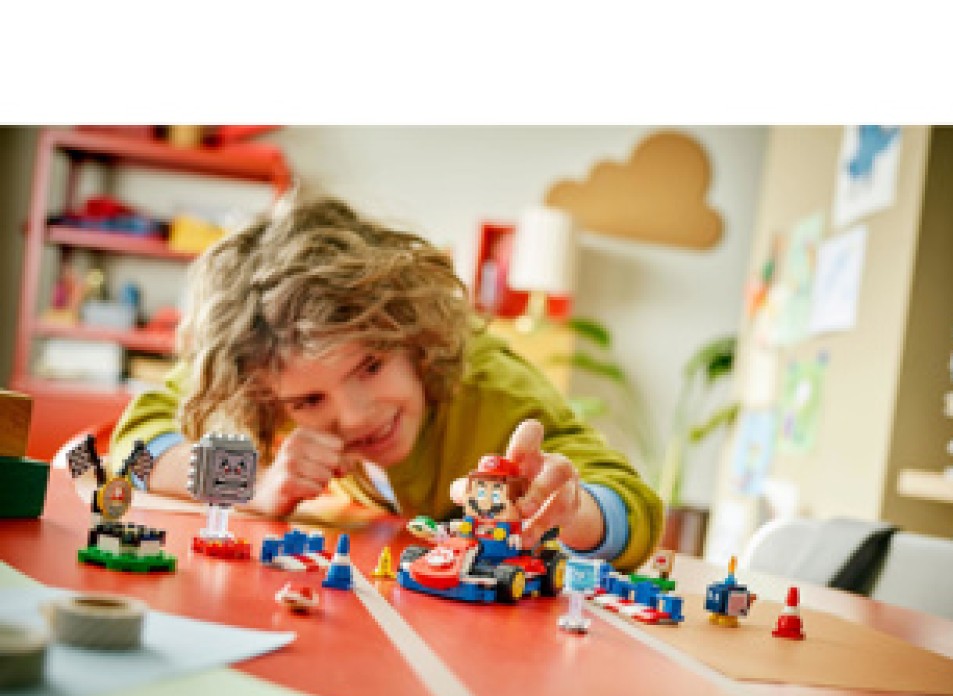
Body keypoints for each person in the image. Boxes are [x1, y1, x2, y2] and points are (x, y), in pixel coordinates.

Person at [110, 192, 663, 572]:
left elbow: (631, 502)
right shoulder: (257, 363)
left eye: (370, 366)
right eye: (309, 400)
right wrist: (250, 484)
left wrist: (570, 511)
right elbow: (135, 445)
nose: (355, 416)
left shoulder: (494, 391)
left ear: (414, 339)